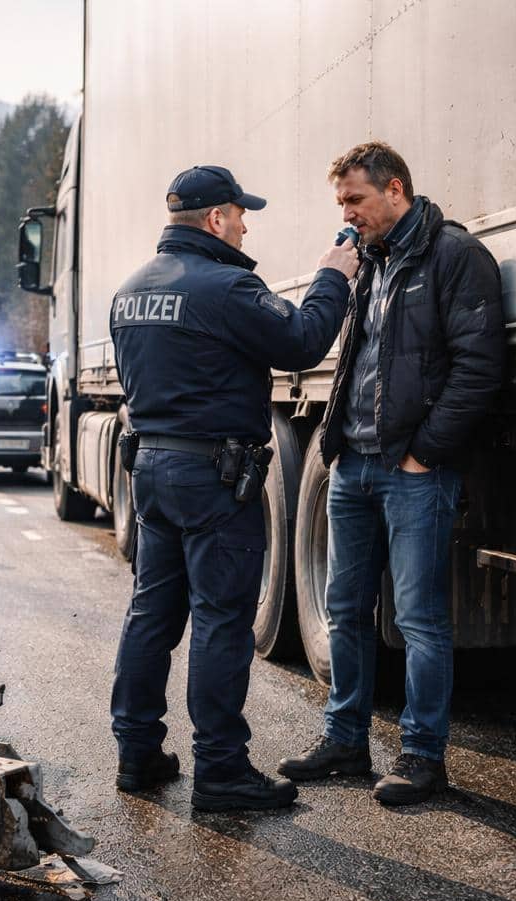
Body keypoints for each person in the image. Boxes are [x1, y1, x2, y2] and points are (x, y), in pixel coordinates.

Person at [110, 165, 359, 812]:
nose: (246, 224)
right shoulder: (225, 287)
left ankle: (137, 755)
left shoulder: (131, 289)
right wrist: (334, 274)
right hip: (213, 479)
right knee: (222, 621)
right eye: (240, 213)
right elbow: (303, 342)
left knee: (151, 616)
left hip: (154, 472)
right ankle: (220, 773)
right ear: (216, 219)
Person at [279, 141, 504, 805]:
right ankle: (345, 740)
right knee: (346, 612)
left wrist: (425, 452)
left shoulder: (454, 258)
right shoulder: (369, 262)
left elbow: (478, 368)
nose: (347, 215)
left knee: (419, 619)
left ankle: (422, 756)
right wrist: (336, 446)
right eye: (341, 202)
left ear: (396, 190)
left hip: (414, 473)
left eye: (356, 200)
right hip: (353, 467)